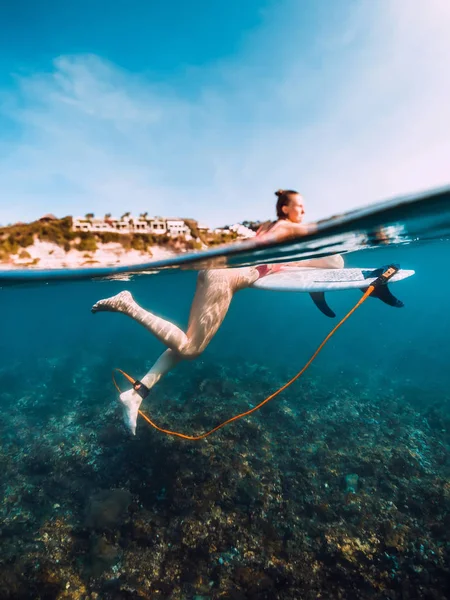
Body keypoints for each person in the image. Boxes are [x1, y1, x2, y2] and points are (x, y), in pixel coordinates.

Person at [91, 189, 344, 434]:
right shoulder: (288, 228)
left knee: (185, 341)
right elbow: (334, 258)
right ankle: (127, 305)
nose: (305, 210)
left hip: (215, 271)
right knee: (191, 349)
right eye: (300, 206)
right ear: (286, 209)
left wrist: (308, 277)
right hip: (224, 279)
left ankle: (137, 395)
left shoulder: (272, 232)